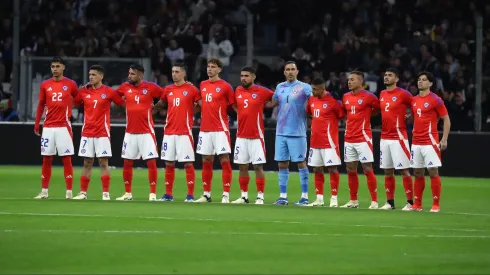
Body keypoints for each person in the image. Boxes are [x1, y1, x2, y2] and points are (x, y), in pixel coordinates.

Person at [72, 65, 125, 200]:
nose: (90, 77)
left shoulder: (108, 91)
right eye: (90, 75)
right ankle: (83, 193)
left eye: (94, 75)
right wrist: (77, 91)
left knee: (103, 162)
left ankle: (105, 193)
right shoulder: (84, 91)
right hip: (87, 132)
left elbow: (122, 104)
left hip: (102, 132)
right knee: (87, 162)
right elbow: (74, 104)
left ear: (101, 77)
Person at [115, 64, 165, 201]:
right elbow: (113, 95)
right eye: (129, 73)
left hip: (146, 132)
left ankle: (153, 194)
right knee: (127, 163)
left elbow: (166, 94)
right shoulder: (125, 87)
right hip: (130, 132)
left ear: (140, 75)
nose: (129, 76)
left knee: (151, 163)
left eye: (132, 74)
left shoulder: (151, 87)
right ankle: (127, 193)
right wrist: (122, 104)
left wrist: (157, 106)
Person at [33, 56, 79, 199]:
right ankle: (44, 191)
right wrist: (37, 123)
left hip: (64, 127)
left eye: (58, 66)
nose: (55, 69)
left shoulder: (71, 84)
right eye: (53, 66)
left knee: (66, 159)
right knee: (46, 159)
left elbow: (78, 100)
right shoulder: (45, 84)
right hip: (48, 127)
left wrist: (69, 110)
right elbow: (41, 104)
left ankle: (69, 192)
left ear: (63, 67)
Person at [269, 61, 312, 206]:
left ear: (297, 71)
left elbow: (314, 101)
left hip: (297, 131)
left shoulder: (305, 87)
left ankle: (305, 197)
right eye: (287, 69)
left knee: (301, 163)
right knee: (282, 163)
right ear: (284, 72)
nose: (290, 72)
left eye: (292, 69)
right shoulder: (280, 87)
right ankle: (283, 197)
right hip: (281, 131)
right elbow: (272, 103)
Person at [157, 63, 201, 202]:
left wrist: (190, 113)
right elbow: (161, 104)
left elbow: (201, 106)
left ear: (183, 74)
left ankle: (190, 195)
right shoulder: (167, 89)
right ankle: (168, 195)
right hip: (169, 132)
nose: (174, 74)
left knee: (187, 163)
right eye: (172, 71)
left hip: (184, 132)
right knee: (169, 163)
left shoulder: (192, 89)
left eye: (177, 72)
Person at [194, 58, 236, 203]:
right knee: (206, 160)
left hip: (220, 129)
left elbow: (233, 106)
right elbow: (202, 103)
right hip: (205, 129)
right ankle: (206, 194)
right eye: (208, 66)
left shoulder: (225, 86)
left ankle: (226, 194)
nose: (210, 69)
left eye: (213, 67)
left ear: (219, 69)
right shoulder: (203, 84)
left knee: (224, 159)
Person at [231, 66, 273, 205]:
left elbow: (276, 98)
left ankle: (260, 196)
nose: (243, 78)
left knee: (257, 167)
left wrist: (268, 106)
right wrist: (240, 112)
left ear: (253, 77)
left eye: (246, 76)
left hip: (256, 136)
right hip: (241, 135)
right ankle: (244, 196)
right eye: (242, 76)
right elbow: (233, 105)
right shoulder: (237, 90)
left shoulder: (261, 91)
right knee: (242, 167)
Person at [410, 71, 451, 213]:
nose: (420, 82)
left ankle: (436, 204)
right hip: (416, 142)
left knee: (433, 172)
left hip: (430, 142)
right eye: (419, 79)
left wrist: (444, 139)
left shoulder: (436, 99)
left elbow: (446, 119)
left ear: (431, 83)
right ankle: (417, 204)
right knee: (417, 173)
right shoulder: (414, 100)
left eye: (424, 80)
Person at [340, 71, 380, 209]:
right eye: (348, 79)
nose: (349, 82)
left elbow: (378, 110)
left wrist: (367, 116)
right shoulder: (345, 96)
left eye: (352, 79)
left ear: (360, 81)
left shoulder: (369, 97)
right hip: (349, 137)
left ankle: (374, 201)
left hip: (363, 137)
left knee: (367, 167)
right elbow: (346, 113)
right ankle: (353, 201)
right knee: (350, 168)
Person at [378, 68, 414, 210]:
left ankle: (410, 203)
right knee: (388, 171)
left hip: (398, 137)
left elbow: (416, 104)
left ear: (397, 79)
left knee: (403, 170)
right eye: (385, 75)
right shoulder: (382, 93)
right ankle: (390, 202)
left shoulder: (403, 94)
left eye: (390, 75)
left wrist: (410, 115)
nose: (386, 77)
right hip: (384, 137)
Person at [306, 77, 344, 207]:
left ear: (323, 88)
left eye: (315, 89)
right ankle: (319, 198)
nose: (313, 91)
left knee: (332, 169)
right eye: (312, 89)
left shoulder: (332, 101)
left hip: (329, 142)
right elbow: (309, 113)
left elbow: (341, 115)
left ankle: (334, 198)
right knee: (317, 169)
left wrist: (339, 102)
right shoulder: (311, 100)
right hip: (315, 141)